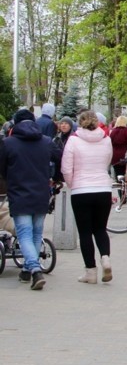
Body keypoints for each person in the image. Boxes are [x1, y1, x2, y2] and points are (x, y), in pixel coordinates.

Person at [0, 109, 62, 290]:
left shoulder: (8, 143)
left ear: (15, 124)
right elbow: (60, 158)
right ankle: (27, 270)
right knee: (36, 233)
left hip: (19, 194)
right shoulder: (46, 141)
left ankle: (34, 270)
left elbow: (2, 168)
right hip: (42, 193)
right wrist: (55, 177)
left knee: (24, 233)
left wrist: (10, 178)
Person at [61, 111, 115, 284]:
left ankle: (90, 272)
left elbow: (66, 168)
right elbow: (108, 160)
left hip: (81, 190)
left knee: (85, 232)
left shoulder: (73, 140)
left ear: (79, 123)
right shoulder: (106, 139)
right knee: (100, 228)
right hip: (103, 189)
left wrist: (72, 184)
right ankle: (105, 257)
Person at [109, 116, 127, 182]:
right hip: (126, 156)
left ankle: (120, 191)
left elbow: (109, 144)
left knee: (119, 176)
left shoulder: (113, 132)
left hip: (115, 157)